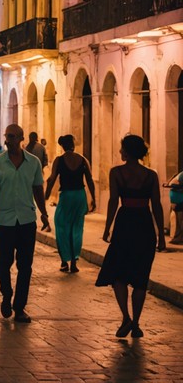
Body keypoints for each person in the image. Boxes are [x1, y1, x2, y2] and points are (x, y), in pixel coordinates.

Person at [96, 134, 165, 338]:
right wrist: (161, 234)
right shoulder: (151, 175)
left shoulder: (116, 172)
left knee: (118, 274)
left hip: (124, 223)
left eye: (122, 149)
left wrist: (107, 227)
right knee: (141, 277)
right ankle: (135, 323)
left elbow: (113, 201)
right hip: (144, 225)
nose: (120, 152)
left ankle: (125, 317)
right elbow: (157, 206)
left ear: (127, 151)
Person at [0, 124, 48, 323]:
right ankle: (6, 294)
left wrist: (44, 214)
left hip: (27, 221)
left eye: (11, 137)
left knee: (25, 266)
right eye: (6, 136)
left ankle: (19, 307)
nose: (7, 140)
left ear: (21, 138)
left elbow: (38, 189)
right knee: (3, 263)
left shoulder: (34, 163)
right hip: (5, 221)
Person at [44, 134, 96, 273]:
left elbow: (52, 178)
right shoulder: (83, 159)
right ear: (73, 144)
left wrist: (46, 195)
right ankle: (74, 262)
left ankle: (64, 262)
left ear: (62, 145)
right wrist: (93, 198)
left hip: (67, 196)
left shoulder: (59, 160)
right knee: (77, 228)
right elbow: (89, 180)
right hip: (80, 196)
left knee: (61, 226)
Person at [165, 170, 183, 244]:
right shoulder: (180, 174)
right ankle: (177, 237)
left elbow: (181, 186)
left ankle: (179, 238)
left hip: (180, 201)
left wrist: (172, 185)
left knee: (180, 220)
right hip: (177, 201)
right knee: (178, 221)